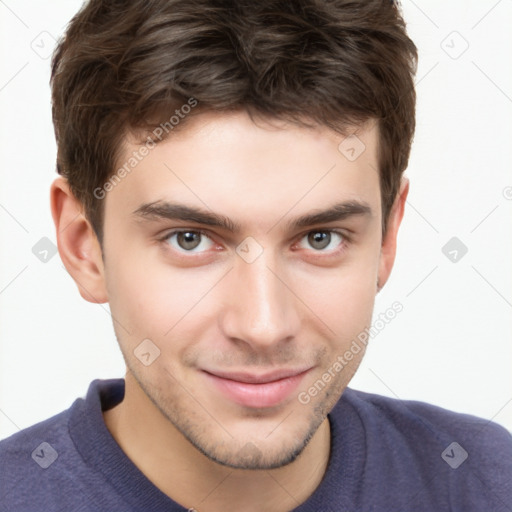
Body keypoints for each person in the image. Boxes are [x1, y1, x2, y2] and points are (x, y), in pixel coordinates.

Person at [1, 0, 511, 510]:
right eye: (190, 240)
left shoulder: (489, 485)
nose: (264, 326)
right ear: (83, 246)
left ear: (386, 238)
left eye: (320, 238)